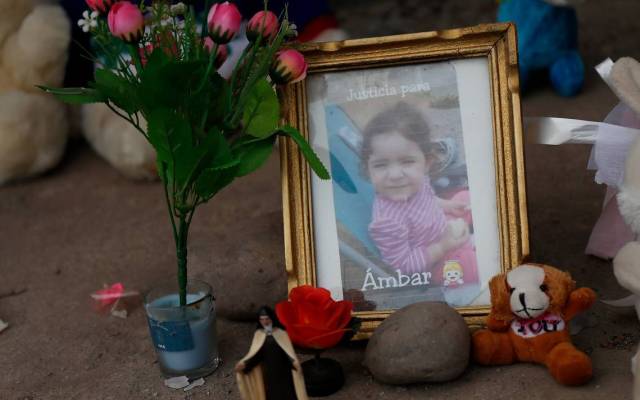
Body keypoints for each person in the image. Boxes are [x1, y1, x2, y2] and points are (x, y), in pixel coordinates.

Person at [361, 102, 477, 281]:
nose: (395, 175)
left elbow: (428, 200)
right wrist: (443, 247)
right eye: (381, 165)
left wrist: (448, 206)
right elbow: (404, 265)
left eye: (407, 161)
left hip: (440, 224)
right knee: (473, 266)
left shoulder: (418, 181)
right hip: (437, 262)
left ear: (426, 163)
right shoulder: (387, 223)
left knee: (468, 198)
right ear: (368, 169)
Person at [235, 306, 308, 400]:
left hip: (284, 372)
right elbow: (257, 355)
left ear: (272, 318)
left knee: (288, 393)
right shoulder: (259, 335)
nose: (265, 322)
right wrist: (245, 364)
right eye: (262, 319)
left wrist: (294, 363)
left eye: (267, 319)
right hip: (269, 374)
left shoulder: (281, 333)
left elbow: (287, 352)